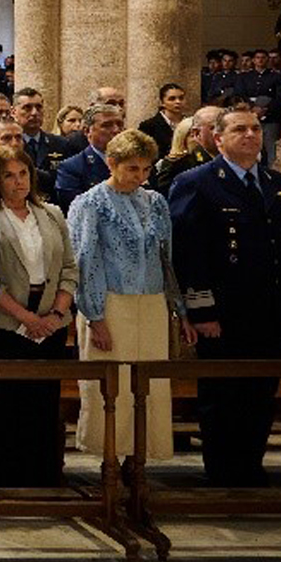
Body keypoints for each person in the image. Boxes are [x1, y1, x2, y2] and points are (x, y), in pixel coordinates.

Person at [169, 107, 281, 486]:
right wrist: (202, 311)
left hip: (270, 310)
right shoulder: (198, 182)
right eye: (240, 129)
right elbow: (188, 253)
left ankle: (251, 463)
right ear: (218, 139)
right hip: (223, 312)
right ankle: (223, 469)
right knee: (223, 393)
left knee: (261, 391)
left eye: (254, 128)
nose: (251, 135)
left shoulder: (276, 184)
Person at [68, 127, 192, 461]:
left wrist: (178, 308)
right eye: (132, 168)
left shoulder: (155, 202)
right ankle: (110, 458)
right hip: (110, 303)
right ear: (111, 163)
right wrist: (95, 316)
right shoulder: (90, 203)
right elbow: (85, 260)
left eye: (146, 168)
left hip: (151, 304)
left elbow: (167, 259)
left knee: (151, 388)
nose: (140, 175)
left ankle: (139, 461)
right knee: (114, 389)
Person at [0, 144, 78, 488]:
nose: (18, 182)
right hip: (2, 324)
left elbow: (69, 268)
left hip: (50, 322)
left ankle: (41, 478)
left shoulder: (51, 214)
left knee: (41, 404)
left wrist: (56, 313)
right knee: (2, 406)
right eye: (9, 175)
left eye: (23, 174)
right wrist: (25, 318)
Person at [55, 103, 124, 209]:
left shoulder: (135, 161)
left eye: (119, 124)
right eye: (107, 125)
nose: (116, 130)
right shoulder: (71, 168)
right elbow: (77, 208)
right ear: (87, 131)